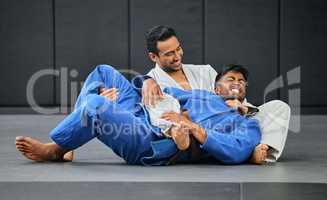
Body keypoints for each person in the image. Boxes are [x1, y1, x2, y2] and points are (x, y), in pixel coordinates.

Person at [15, 64, 261, 165]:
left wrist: (192, 127)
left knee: (95, 104)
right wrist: (147, 82)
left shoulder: (245, 123)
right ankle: (72, 139)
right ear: (217, 87)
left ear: (245, 90)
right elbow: (164, 91)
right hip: (146, 110)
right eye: (231, 79)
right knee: (104, 72)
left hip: (153, 139)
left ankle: (57, 150)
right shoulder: (201, 95)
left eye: (242, 81)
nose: (237, 82)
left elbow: (238, 150)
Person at [133, 25, 290, 163]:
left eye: (178, 48)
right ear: (153, 57)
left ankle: (262, 149)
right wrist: (146, 80)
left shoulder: (205, 71)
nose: (177, 56)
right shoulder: (151, 84)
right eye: (169, 54)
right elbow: (157, 119)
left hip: (228, 128)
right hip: (193, 138)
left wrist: (241, 106)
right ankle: (247, 154)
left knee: (279, 107)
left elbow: (232, 101)